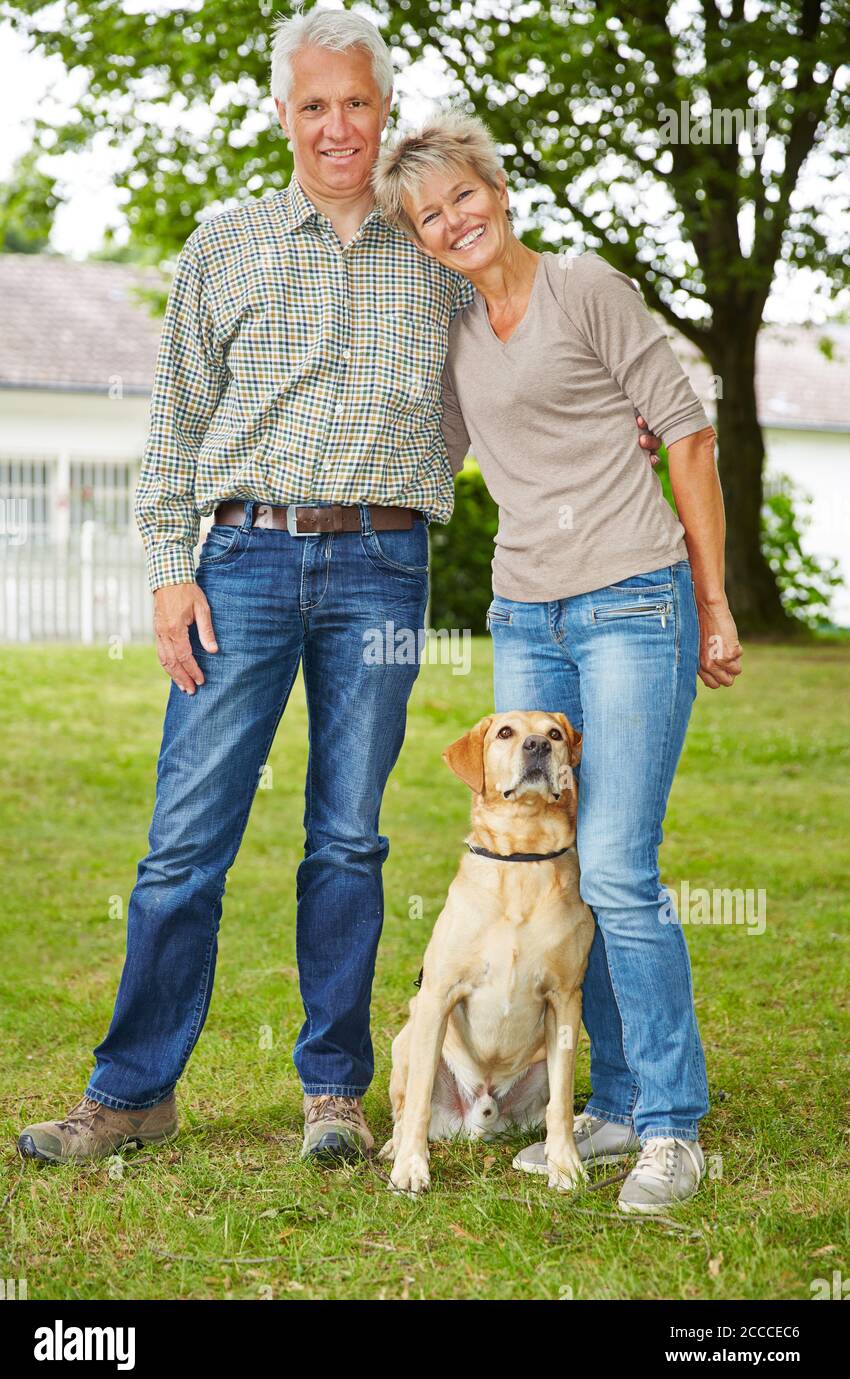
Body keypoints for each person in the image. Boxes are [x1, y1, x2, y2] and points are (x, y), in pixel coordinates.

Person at [17, 17, 662, 1172]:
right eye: (312, 106)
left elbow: (527, 351)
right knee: (182, 842)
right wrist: (171, 567)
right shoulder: (226, 245)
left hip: (381, 565)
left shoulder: (435, 250)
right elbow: (173, 421)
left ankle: (335, 1091)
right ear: (283, 116)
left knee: (347, 840)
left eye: (355, 105)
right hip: (242, 562)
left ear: (383, 112)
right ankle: (129, 1091)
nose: (335, 127)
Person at [373, 111, 743, 1213]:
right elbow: (428, 449)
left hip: (634, 593)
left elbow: (681, 429)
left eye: (461, 197)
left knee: (620, 865)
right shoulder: (451, 329)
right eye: (428, 217)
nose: (452, 223)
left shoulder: (584, 286)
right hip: (525, 614)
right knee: (563, 865)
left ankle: (671, 1124)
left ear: (496, 182)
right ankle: (616, 1098)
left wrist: (711, 601)